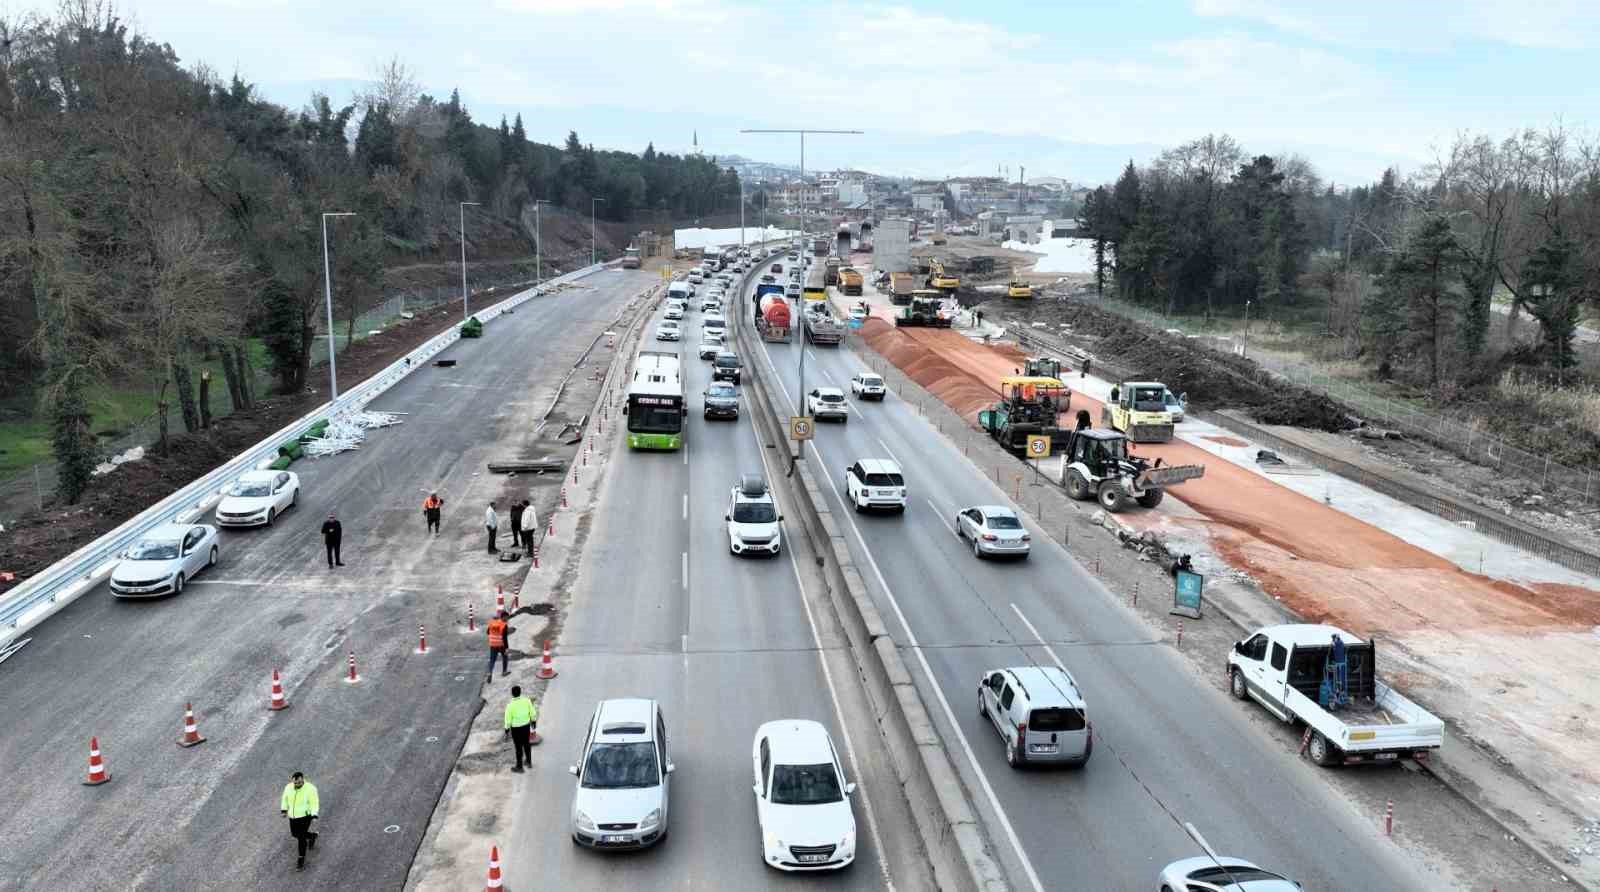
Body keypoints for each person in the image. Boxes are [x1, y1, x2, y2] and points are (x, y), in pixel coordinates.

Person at [279, 771, 320, 870]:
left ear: (303, 780)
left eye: (299, 783)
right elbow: (285, 798)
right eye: (295, 783)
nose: (297, 785)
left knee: (301, 837)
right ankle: (312, 836)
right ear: (292, 781)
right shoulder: (288, 787)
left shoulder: (310, 789)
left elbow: (314, 802)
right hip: (293, 816)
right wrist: (284, 810)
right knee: (294, 834)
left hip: (305, 816)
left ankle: (301, 859)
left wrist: (314, 815)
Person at [504, 684, 539, 772]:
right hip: (526, 726)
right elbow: (532, 712)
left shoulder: (510, 705)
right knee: (527, 744)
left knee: (518, 747)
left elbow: (508, 720)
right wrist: (533, 721)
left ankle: (519, 767)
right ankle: (529, 761)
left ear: (512, 694)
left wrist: (506, 729)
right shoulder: (527, 701)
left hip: (516, 729)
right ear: (520, 692)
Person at [485, 610, 511, 683]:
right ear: (504, 617)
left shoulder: (492, 622)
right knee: (505, 656)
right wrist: (507, 648)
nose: (508, 619)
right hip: (501, 644)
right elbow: (504, 638)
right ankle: (504, 672)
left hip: (493, 644)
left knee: (492, 660)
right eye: (507, 617)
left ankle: (490, 673)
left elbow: (487, 632)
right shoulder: (504, 625)